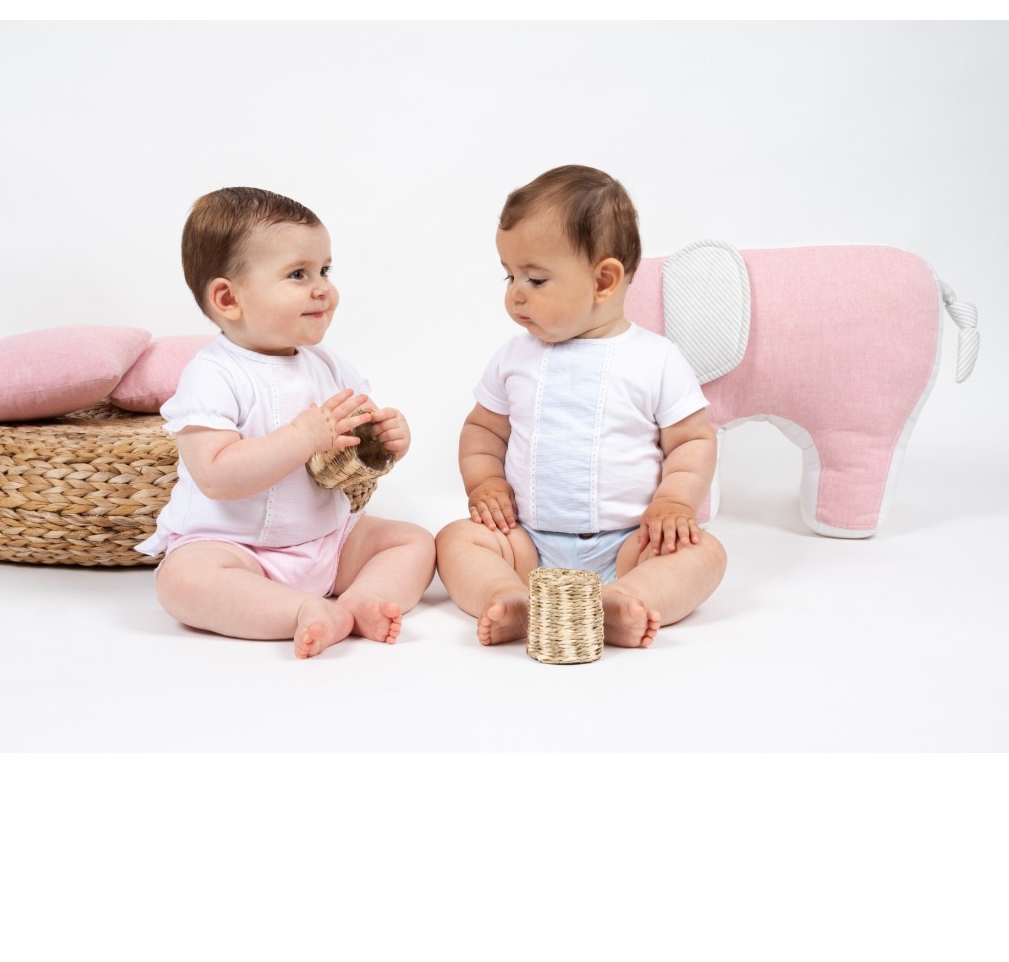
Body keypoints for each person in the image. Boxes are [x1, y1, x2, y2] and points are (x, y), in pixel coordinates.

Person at [436, 165, 727, 648]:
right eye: (510, 275)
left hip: (630, 544)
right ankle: (509, 597)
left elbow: (692, 441)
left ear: (604, 281)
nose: (515, 294)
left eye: (535, 278)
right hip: (527, 542)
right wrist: (484, 482)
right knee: (454, 540)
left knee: (706, 554)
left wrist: (674, 502)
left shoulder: (656, 358)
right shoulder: (514, 357)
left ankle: (625, 598)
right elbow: (483, 431)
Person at [138, 186, 435, 659]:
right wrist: (300, 438)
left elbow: (360, 435)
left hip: (328, 540)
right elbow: (214, 476)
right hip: (234, 549)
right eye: (298, 274)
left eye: (325, 270)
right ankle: (301, 610)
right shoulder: (213, 373)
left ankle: (363, 598)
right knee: (182, 582)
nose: (322, 288)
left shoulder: (326, 363)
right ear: (228, 298)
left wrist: (389, 436)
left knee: (412, 541)